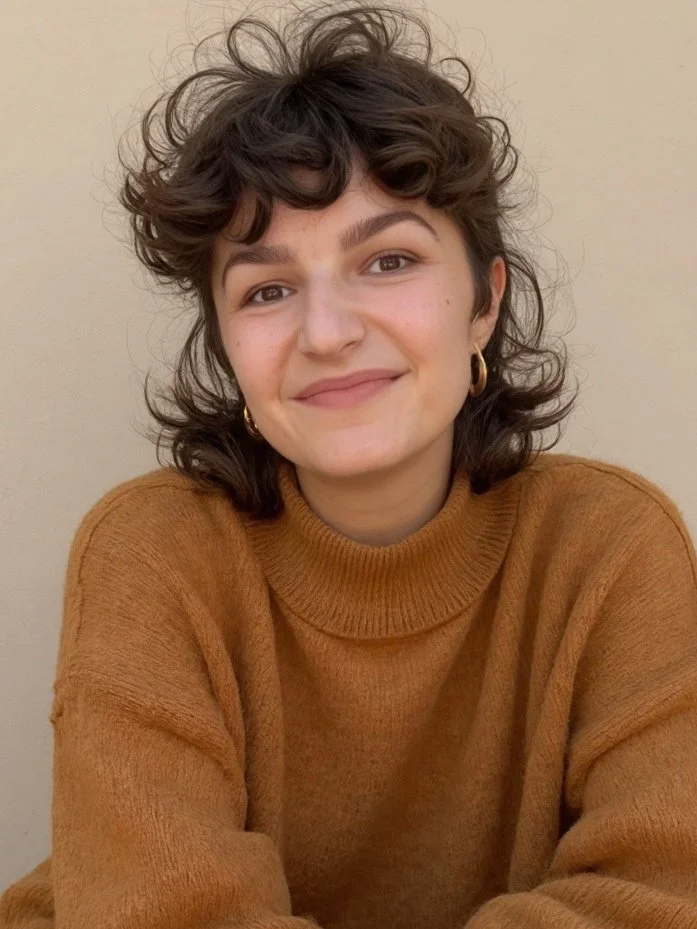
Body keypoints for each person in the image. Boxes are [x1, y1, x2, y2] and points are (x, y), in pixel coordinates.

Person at [2, 1, 697, 927]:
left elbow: (658, 895)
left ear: (483, 303)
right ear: (227, 347)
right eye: (267, 289)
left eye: (388, 261)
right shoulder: (151, 553)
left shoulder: (610, 549)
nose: (326, 332)